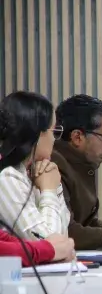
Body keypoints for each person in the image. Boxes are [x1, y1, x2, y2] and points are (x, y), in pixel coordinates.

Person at [52, 94, 102, 250]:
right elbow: (70, 232)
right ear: (77, 137)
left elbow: (88, 223)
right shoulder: (53, 165)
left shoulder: (80, 163)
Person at [0, 91, 70, 240]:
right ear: (37, 134)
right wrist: (49, 190)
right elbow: (48, 242)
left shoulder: (37, 173)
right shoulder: (7, 178)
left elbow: (64, 236)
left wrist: (54, 187)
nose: (54, 139)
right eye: (54, 131)